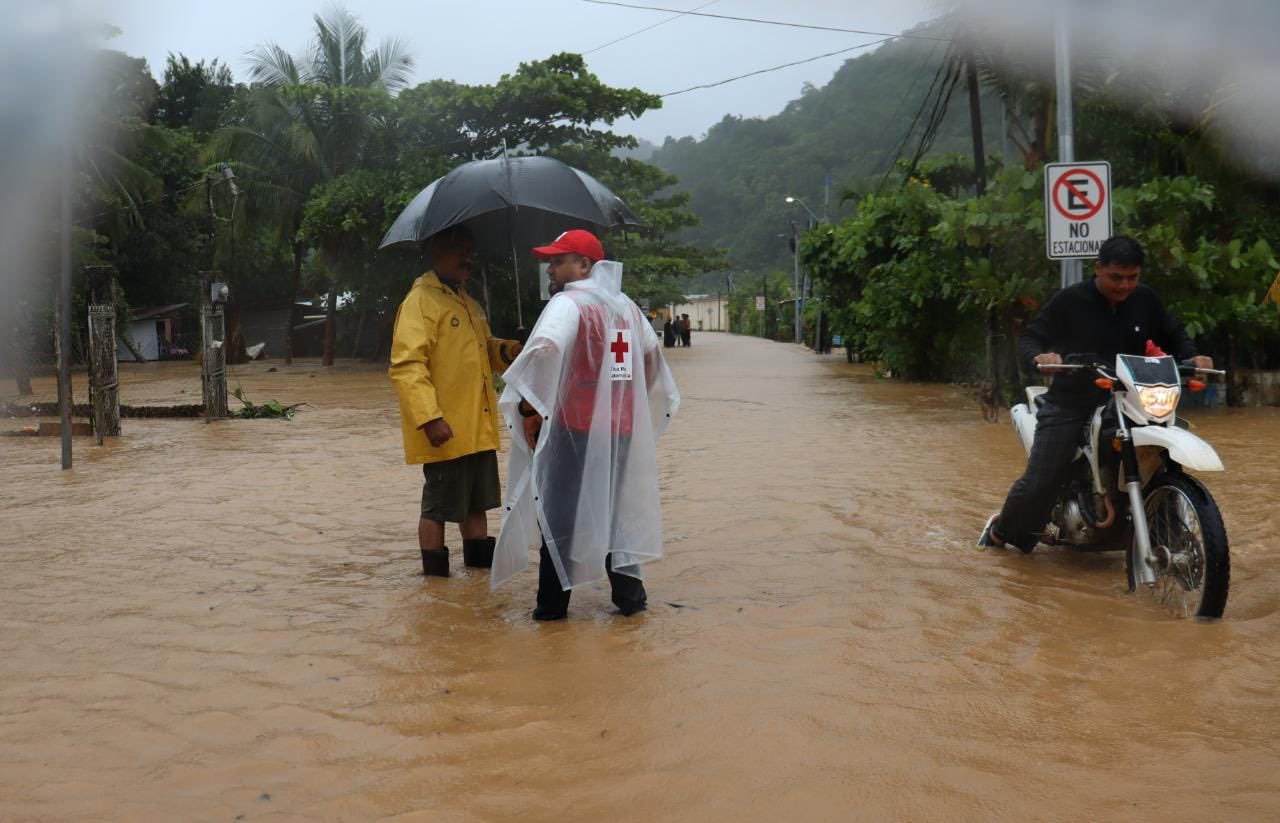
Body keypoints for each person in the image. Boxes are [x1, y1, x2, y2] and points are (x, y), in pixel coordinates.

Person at [978, 235, 1213, 552]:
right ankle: (999, 533)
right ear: (1098, 268)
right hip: (1070, 402)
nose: (1124, 285)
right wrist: (1041, 357)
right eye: (1116, 277)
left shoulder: (1146, 300)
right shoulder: (1070, 301)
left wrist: (1193, 357)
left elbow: (1174, 334)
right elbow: (1032, 337)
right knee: (1042, 480)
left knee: (1162, 456)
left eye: (1132, 277)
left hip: (1128, 401)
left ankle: (1165, 536)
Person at [490, 229, 680, 620]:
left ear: (585, 266)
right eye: (551, 261)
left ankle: (551, 610)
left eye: (559, 261)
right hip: (621, 431)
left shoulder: (568, 304)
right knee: (613, 512)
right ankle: (630, 601)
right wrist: (626, 403)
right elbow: (650, 359)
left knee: (558, 516)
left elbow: (545, 350)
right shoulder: (625, 307)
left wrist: (529, 409)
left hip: (573, 431)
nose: (551, 268)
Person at [389, 225, 523, 577]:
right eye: (459, 249)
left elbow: (485, 350)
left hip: (477, 427)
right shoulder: (421, 302)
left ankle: (478, 580)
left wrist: (510, 351)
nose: (468, 257)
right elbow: (406, 365)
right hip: (445, 428)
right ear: (436, 251)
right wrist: (429, 418)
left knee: (477, 503)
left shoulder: (468, 302)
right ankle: (435, 583)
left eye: (470, 250)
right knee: (437, 507)